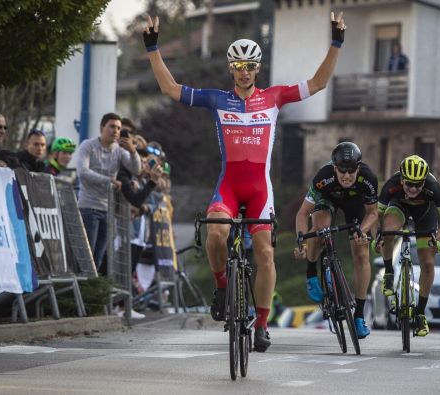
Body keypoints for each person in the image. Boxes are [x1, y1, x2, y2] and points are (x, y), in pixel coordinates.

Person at [142, 11, 346, 352]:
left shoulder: (275, 97)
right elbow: (170, 88)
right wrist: (152, 47)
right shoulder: (217, 99)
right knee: (216, 233)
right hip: (229, 186)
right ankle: (222, 286)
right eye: (238, 66)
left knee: (265, 253)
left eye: (250, 66)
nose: (244, 71)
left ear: (257, 68)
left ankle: (262, 325)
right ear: (231, 69)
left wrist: (336, 42)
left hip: (259, 191)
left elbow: (318, 83)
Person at [293, 142, 378, 339]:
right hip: (327, 200)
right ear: (334, 168)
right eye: (342, 171)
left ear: (358, 167)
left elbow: (373, 213)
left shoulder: (368, 179)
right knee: (321, 227)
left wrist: (361, 230)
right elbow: (302, 213)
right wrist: (301, 243)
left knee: (361, 252)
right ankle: (312, 273)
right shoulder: (323, 177)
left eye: (351, 171)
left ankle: (358, 317)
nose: (347, 176)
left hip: (355, 204)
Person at [374, 155, 440, 337]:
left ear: (424, 181)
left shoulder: (433, 187)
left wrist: (437, 239)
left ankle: (420, 312)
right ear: (402, 179)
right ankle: (389, 271)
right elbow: (375, 214)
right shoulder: (391, 184)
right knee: (387, 231)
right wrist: (377, 236)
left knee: (427, 263)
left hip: (424, 214)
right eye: (409, 184)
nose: (413, 189)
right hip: (398, 207)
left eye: (418, 185)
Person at [76, 112, 141, 274]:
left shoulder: (119, 151)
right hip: (88, 207)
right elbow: (82, 172)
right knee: (87, 255)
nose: (116, 131)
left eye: (118, 128)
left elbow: (137, 169)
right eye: (112, 126)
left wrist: (133, 151)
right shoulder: (88, 145)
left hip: (108, 210)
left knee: (98, 257)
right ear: (101, 128)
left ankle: (89, 293)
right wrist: (109, 181)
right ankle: (80, 291)